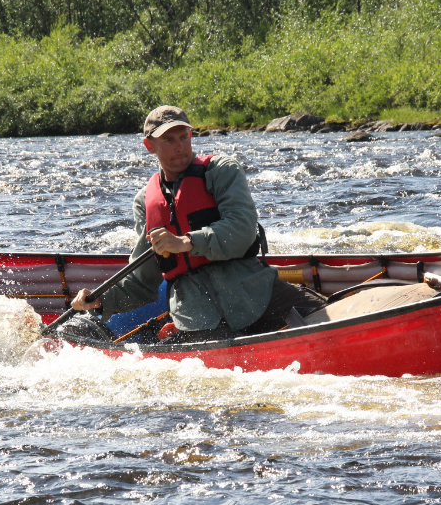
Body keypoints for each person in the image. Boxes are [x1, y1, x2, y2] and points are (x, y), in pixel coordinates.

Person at [70, 105, 325, 342]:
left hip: (256, 295)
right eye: (168, 140)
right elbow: (143, 280)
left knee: (335, 312)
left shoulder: (222, 170)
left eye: (184, 137)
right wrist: (101, 301)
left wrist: (187, 242)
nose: (180, 146)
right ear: (150, 146)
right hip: (197, 320)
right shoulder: (144, 202)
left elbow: (242, 230)